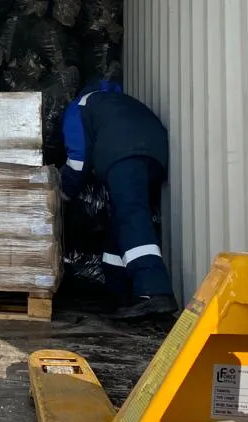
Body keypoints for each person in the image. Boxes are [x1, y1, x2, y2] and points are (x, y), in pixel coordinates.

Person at [61, 79, 175, 321]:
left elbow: (77, 161)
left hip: (124, 153)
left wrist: (62, 194)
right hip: (155, 154)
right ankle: (119, 290)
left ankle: (153, 291)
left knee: (131, 215)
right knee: (123, 217)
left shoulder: (79, 107)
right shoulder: (120, 102)